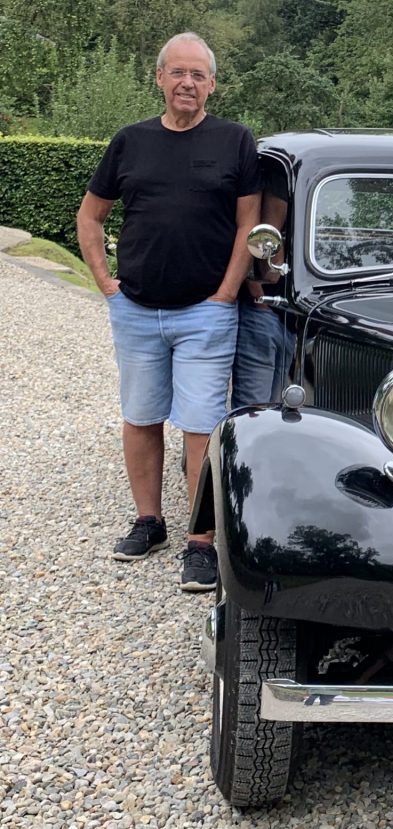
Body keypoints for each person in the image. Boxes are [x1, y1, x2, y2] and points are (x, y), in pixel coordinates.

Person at [76, 32, 261, 592]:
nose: (188, 83)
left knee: (201, 425)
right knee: (140, 414)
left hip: (205, 312)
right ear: (159, 78)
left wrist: (227, 292)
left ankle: (200, 542)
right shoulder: (130, 142)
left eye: (198, 75)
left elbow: (247, 225)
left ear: (212, 84)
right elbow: (91, 217)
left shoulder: (235, 140)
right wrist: (105, 282)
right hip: (134, 308)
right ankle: (148, 521)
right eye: (178, 73)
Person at [231, 183, 295, 408]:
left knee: (282, 406)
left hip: (293, 313)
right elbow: (261, 239)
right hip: (266, 307)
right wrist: (259, 296)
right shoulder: (277, 182)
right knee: (254, 409)